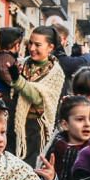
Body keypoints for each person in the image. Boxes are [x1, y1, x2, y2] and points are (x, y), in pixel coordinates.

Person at [12, 26, 66, 167]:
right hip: (14, 125)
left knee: (32, 170)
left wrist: (18, 81)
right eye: (30, 43)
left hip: (36, 130)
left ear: (50, 47)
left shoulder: (56, 73)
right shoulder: (20, 64)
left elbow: (38, 99)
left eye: (38, 45)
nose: (32, 48)